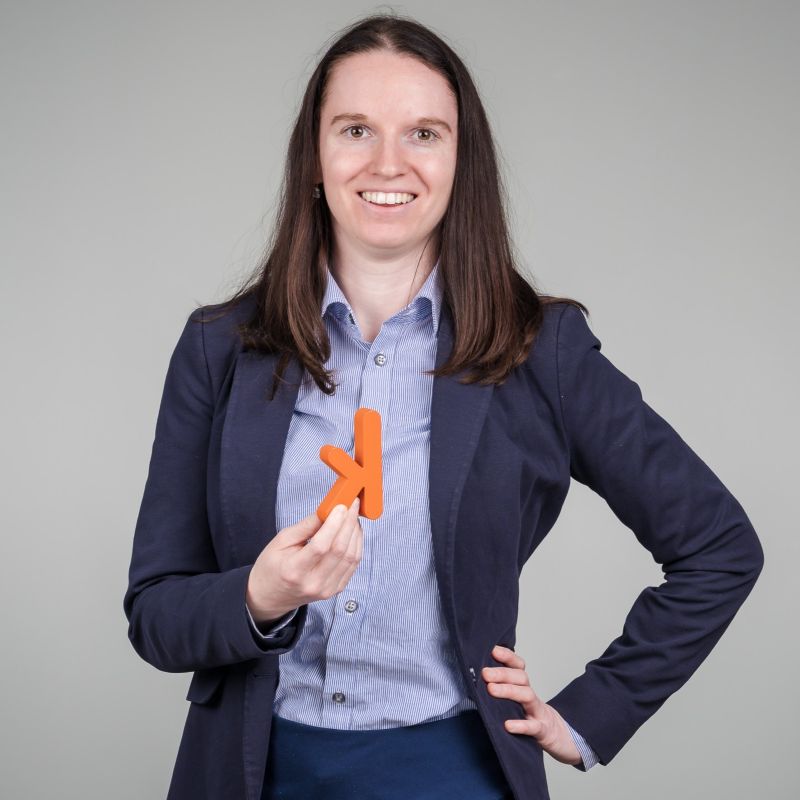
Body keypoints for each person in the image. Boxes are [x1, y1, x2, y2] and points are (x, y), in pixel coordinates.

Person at [123, 13, 764, 800]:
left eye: (424, 134)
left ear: (461, 161)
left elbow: (719, 546)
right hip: (250, 772)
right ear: (315, 157)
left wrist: (589, 716)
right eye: (356, 129)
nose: (388, 163)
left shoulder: (541, 350)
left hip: (450, 774)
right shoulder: (219, 348)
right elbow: (156, 615)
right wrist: (262, 596)